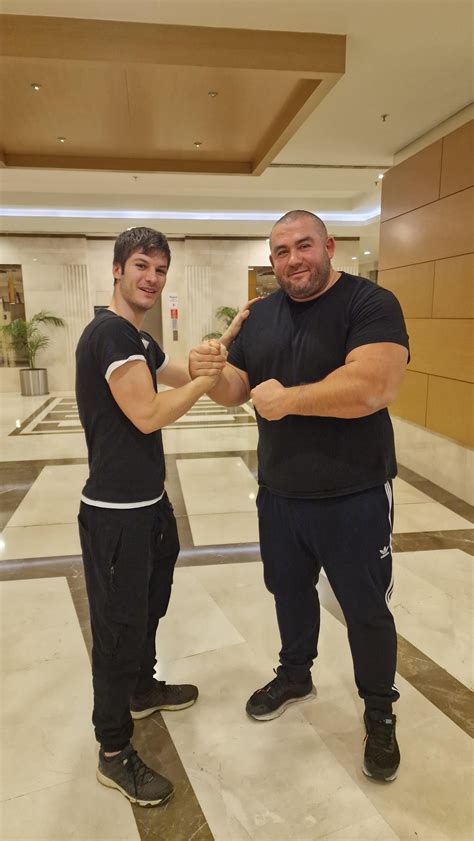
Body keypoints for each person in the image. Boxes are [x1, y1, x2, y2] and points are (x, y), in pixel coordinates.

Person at [189, 210, 409, 782]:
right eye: (281, 251)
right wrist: (209, 373)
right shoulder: (260, 315)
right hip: (280, 492)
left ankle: (379, 709)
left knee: (365, 608)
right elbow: (238, 389)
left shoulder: (370, 303)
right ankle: (295, 674)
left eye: (304, 245)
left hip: (355, 492)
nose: (294, 260)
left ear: (329, 246)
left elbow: (375, 385)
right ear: (272, 260)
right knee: (287, 592)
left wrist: (289, 400)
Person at [76, 227, 247, 807]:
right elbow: (148, 414)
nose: (151, 278)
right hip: (115, 516)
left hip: (149, 506)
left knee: (150, 606)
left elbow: (192, 379)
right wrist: (203, 379)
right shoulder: (109, 335)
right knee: (116, 632)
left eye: (160, 269)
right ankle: (112, 750)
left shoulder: (139, 339)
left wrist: (215, 358)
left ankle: (141, 689)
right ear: (117, 270)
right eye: (141, 266)